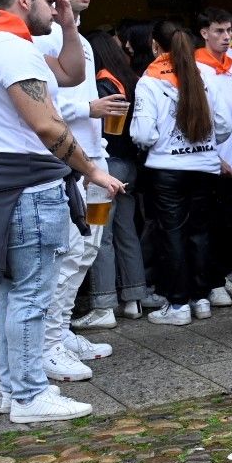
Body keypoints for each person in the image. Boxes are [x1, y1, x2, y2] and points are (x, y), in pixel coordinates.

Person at [0, 0, 125, 422]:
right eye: (52, 1)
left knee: (14, 294)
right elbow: (46, 123)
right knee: (31, 294)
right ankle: (31, 394)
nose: (58, 9)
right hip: (28, 184)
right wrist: (92, 170)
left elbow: (69, 76)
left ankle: (13, 389)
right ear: (25, 0)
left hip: (1, 179)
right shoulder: (12, 49)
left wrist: (69, 25)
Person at [35, 0, 130, 380]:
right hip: (69, 163)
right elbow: (39, 105)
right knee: (68, 252)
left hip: (97, 157)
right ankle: (49, 342)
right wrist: (88, 107)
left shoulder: (81, 40)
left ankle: (63, 329)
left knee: (89, 246)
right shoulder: (43, 37)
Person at [131, 20, 231, 325]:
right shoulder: (203, 76)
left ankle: (177, 305)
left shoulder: (149, 81)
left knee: (171, 236)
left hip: (167, 171)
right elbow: (224, 127)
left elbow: (143, 134)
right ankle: (201, 299)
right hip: (204, 168)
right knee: (200, 233)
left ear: (155, 45)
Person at [76, 29, 150, 325]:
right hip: (130, 167)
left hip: (105, 168)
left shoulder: (101, 83)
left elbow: (101, 130)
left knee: (99, 236)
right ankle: (134, 299)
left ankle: (103, 306)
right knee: (127, 233)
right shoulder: (129, 79)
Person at [192, 8, 232, 304]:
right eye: (219, 31)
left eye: (229, 31)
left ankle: (225, 276)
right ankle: (212, 283)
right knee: (209, 222)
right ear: (204, 33)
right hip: (212, 157)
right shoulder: (195, 66)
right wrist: (212, 156)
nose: (226, 36)